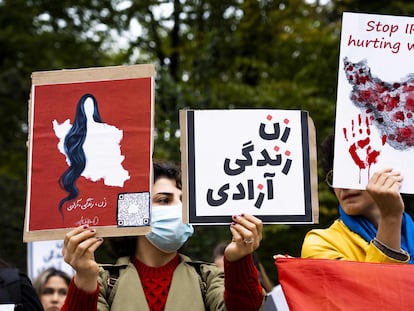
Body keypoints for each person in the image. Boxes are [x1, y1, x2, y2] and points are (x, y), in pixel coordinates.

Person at [61, 160, 265, 310]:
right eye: (164, 200)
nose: (179, 209)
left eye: (184, 201)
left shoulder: (209, 278)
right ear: (134, 210)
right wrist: (85, 280)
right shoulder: (102, 282)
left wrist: (238, 260)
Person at [301, 133, 414, 263]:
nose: (342, 185)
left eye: (356, 171)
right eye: (336, 176)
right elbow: (377, 283)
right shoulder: (320, 244)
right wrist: (390, 218)